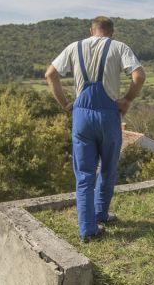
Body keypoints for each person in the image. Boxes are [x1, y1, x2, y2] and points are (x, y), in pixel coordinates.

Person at [46, 16, 145, 242]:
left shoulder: (74, 47)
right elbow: (139, 76)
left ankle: (87, 230)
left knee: (84, 175)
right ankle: (101, 213)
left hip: (81, 115)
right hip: (108, 114)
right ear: (112, 32)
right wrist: (127, 99)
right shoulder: (119, 47)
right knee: (109, 167)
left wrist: (64, 104)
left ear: (91, 30)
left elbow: (50, 74)